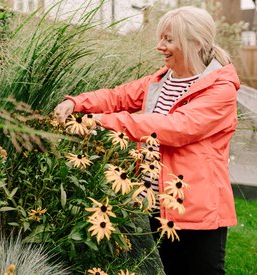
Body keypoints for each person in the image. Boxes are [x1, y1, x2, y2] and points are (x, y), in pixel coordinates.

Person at [54, 6, 239, 275]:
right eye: (160, 38)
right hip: (158, 204)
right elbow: (117, 96)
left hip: (197, 210)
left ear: (196, 42)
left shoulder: (219, 89)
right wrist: (76, 103)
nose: (159, 46)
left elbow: (177, 128)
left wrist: (101, 121)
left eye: (168, 39)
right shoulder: (161, 80)